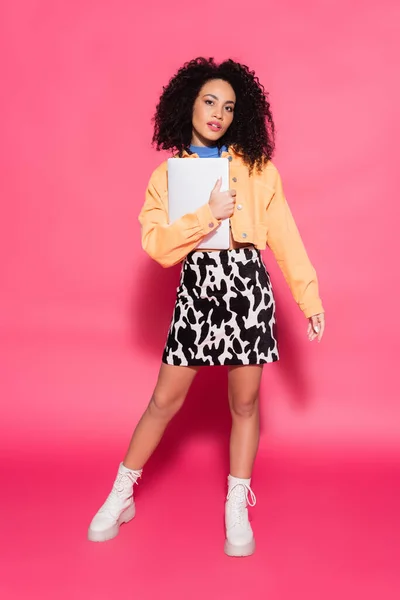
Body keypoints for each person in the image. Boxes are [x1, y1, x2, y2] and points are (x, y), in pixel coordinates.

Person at [87, 57, 325, 557]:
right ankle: (121, 492)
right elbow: (156, 244)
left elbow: (284, 234)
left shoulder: (258, 169)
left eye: (229, 106)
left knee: (245, 404)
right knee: (163, 402)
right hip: (198, 294)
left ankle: (236, 502)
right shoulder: (167, 176)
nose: (218, 112)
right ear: (189, 103)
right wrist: (205, 216)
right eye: (209, 100)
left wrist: (308, 296)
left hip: (248, 292)